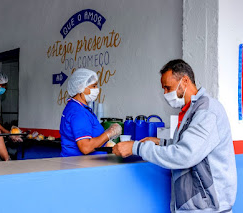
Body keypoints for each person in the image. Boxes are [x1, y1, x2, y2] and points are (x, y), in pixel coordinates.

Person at [113, 59, 237, 212]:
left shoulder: (207, 112)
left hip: (209, 208)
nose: (165, 93)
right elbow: (190, 145)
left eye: (167, 87)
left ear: (184, 81)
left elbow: (185, 155)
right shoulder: (190, 111)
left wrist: (136, 147)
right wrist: (162, 143)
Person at [59, 68, 122, 157]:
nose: (97, 89)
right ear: (80, 87)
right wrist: (109, 133)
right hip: (78, 165)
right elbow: (86, 148)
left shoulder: (78, 107)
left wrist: (105, 142)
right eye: (93, 86)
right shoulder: (78, 112)